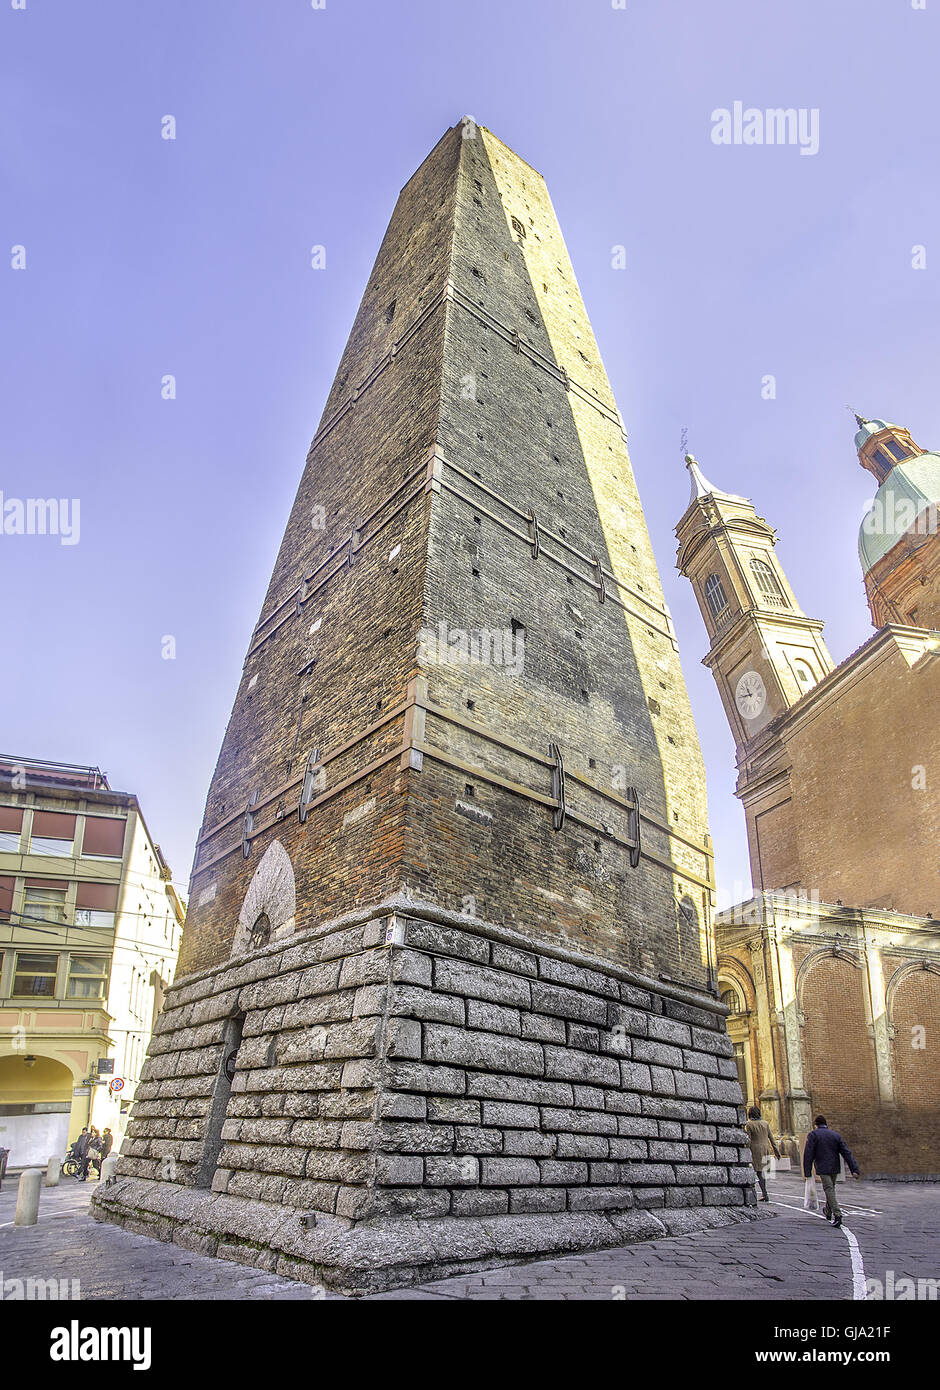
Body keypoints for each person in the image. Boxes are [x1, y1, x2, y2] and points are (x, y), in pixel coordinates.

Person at [802, 1114, 860, 1227]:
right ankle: (828, 1211)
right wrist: (854, 1169)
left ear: (816, 1125)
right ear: (826, 1124)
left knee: (829, 1189)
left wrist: (807, 1171)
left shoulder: (813, 1135)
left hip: (823, 1167)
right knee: (831, 1189)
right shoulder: (835, 1135)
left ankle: (837, 1214)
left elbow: (808, 1154)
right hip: (834, 1167)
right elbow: (846, 1152)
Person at [744, 1105, 780, 1201]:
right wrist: (776, 1151)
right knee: (762, 1172)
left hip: (755, 1150)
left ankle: (763, 1193)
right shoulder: (765, 1123)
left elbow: (749, 1139)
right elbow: (771, 1138)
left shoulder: (749, 1124)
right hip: (766, 1149)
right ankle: (764, 1193)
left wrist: (745, 1151)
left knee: (755, 1172)